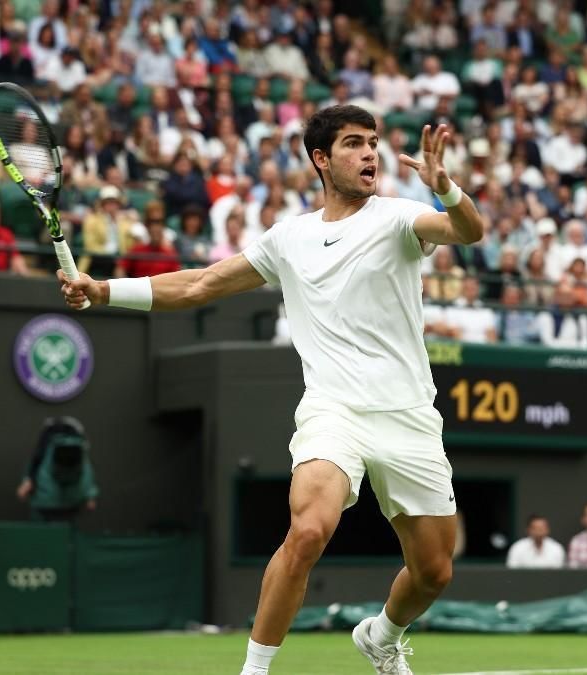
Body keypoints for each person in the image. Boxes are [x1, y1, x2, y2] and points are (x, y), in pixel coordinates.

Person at [58, 108, 487, 675]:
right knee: (309, 529)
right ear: (320, 159)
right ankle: (254, 671)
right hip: (334, 412)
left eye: (373, 144)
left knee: (434, 571)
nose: (369, 155)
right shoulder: (290, 239)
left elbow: (468, 231)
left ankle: (382, 635)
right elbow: (202, 283)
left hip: (408, 415)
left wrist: (448, 190)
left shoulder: (401, 218)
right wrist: (105, 290)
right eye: (354, 144)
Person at [15, 417, 99, 522]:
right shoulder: (79, 446)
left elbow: (35, 464)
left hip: (44, 503)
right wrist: (90, 496)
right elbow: (87, 474)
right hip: (72, 502)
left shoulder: (46, 444)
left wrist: (27, 482)